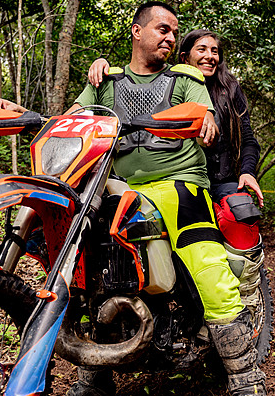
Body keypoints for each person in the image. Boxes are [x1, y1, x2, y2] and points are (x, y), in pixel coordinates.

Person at [0, 2, 272, 396]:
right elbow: (72, 120)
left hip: (179, 186)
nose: (170, 38)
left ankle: (249, 391)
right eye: (162, 29)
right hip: (112, 184)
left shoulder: (187, 78)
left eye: (175, 32)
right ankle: (95, 381)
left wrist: (204, 122)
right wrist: (25, 113)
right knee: (83, 271)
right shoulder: (107, 81)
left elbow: (207, 118)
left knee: (212, 272)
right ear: (137, 31)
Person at [89, 29, 265, 314]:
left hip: (219, 178)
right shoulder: (170, 82)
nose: (209, 56)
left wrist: (247, 172)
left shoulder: (229, 89)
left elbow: (247, 139)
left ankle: (248, 294)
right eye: (202, 50)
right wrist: (101, 66)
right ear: (184, 57)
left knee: (238, 212)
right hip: (171, 177)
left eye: (215, 51)